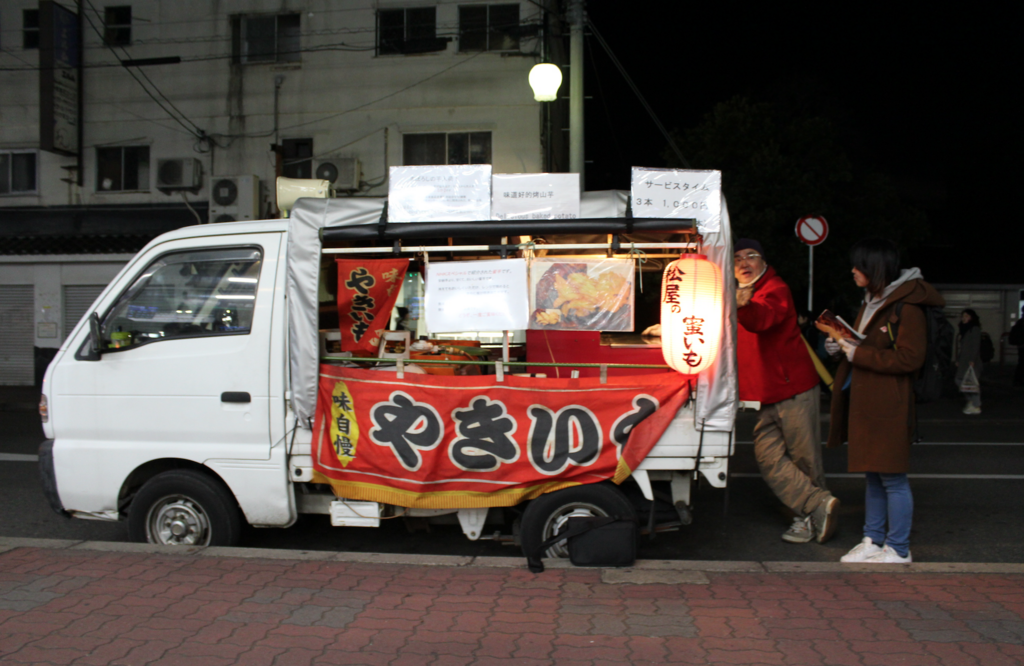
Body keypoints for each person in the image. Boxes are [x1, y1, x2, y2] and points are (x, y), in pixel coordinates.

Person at [826, 238, 944, 564]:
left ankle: (898, 548)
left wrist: (857, 353)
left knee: (892, 478)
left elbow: (910, 359)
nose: (852, 271)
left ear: (875, 268)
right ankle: (873, 540)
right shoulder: (874, 300)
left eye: (858, 265)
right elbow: (871, 345)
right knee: (874, 474)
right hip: (868, 400)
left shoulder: (908, 305)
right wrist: (843, 347)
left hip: (889, 402)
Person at [734, 238, 839, 544]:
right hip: (764, 394)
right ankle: (817, 505)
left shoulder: (774, 288)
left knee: (805, 460)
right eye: (738, 258)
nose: (744, 262)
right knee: (767, 458)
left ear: (763, 262)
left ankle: (810, 519)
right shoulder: (736, 295)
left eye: (751, 256)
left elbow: (762, 318)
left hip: (793, 389)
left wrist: (743, 304)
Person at [955, 308, 983, 414]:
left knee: (971, 383)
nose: (964, 318)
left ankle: (976, 404)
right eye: (963, 316)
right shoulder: (966, 329)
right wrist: (958, 359)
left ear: (971, 317)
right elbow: (964, 347)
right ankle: (972, 401)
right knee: (962, 381)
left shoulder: (974, 329)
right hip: (964, 360)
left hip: (971, 360)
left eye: (966, 316)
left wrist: (972, 359)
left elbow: (975, 346)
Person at [1011, 317, 1024, 388]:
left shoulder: (1020, 322)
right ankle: (1018, 380)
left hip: (1021, 346)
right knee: (1021, 363)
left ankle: (1018, 380)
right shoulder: (1021, 323)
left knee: (1021, 363)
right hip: (1022, 346)